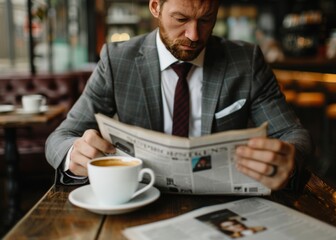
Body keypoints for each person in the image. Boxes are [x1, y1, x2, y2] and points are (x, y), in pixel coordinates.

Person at [45, 0, 313, 189]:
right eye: (181, 19)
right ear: (155, 8)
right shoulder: (118, 60)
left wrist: (289, 159)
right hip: (141, 194)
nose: (194, 35)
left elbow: (294, 134)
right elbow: (61, 137)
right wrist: (74, 154)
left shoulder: (247, 61)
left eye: (206, 20)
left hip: (224, 201)